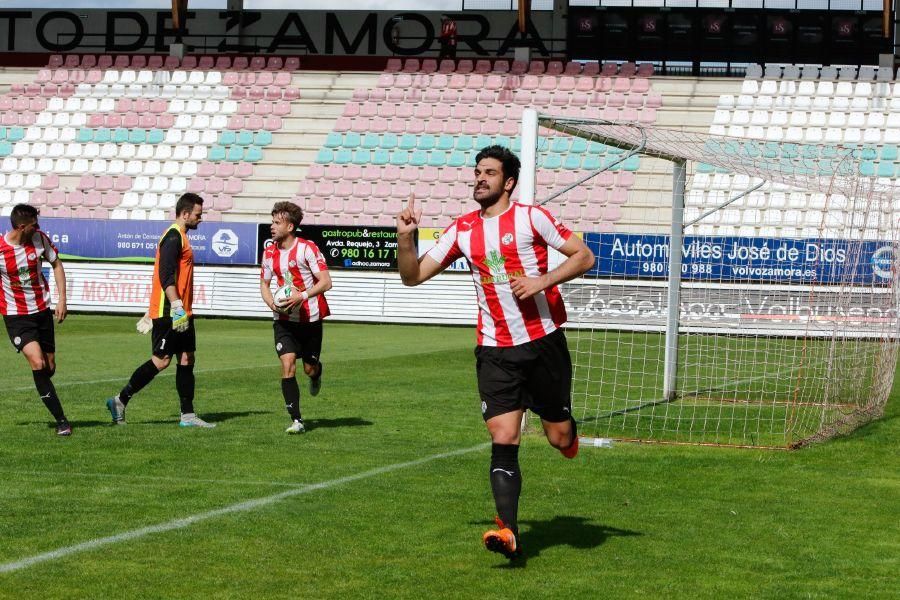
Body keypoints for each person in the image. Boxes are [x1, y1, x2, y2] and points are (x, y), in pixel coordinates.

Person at [396, 145, 595, 560]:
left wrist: (541, 282)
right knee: (503, 436)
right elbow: (412, 276)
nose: (479, 178)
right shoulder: (462, 228)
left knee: (557, 437)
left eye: (488, 172)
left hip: (542, 344)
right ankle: (508, 532)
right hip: (494, 350)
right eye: (476, 172)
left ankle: (567, 433)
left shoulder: (531, 216)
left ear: (508, 182)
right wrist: (405, 237)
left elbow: (583, 256)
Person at [105, 193, 215, 428]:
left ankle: (187, 415)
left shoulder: (181, 237)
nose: (201, 218)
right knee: (162, 360)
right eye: (198, 214)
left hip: (181, 310)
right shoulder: (173, 237)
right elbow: (165, 275)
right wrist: (174, 307)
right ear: (185, 214)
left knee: (187, 357)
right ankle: (120, 400)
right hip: (170, 311)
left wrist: (181, 309)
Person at [259, 201, 332, 434]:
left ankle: (316, 374)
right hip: (284, 321)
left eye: (277, 222)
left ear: (290, 227)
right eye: (272, 221)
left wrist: (302, 295)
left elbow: (326, 282)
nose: (272, 226)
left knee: (308, 369)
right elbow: (264, 283)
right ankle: (297, 420)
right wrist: (272, 304)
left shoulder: (307, 248)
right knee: (287, 364)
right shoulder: (269, 252)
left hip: (310, 319)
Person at [1, 204, 72, 436]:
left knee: (49, 367)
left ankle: (43, 384)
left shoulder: (40, 239)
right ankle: (62, 421)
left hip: (42, 311)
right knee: (37, 363)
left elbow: (57, 264)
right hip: (16, 316)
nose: (38, 227)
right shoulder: (1, 250)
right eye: (34, 224)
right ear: (22, 227)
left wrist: (62, 300)